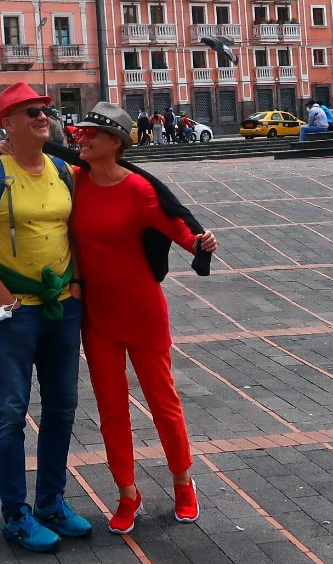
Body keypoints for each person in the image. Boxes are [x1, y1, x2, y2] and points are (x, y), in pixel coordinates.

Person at [64, 102, 218, 533]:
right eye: (82, 132)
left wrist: (203, 243)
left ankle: (183, 483)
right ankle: (127, 493)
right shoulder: (74, 182)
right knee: (111, 410)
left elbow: (182, 230)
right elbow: (46, 160)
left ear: (114, 143)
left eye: (92, 133)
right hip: (97, 316)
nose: (83, 138)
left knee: (163, 404)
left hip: (143, 311)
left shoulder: (140, 191)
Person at [0, 82, 91, 553]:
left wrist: (74, 288)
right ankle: (16, 514)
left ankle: (51, 502)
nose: (41, 117)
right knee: (12, 412)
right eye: (30, 111)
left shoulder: (62, 170)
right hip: (15, 315)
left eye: (45, 110)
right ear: (6, 124)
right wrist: (3, 298)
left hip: (61, 310)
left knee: (62, 407)